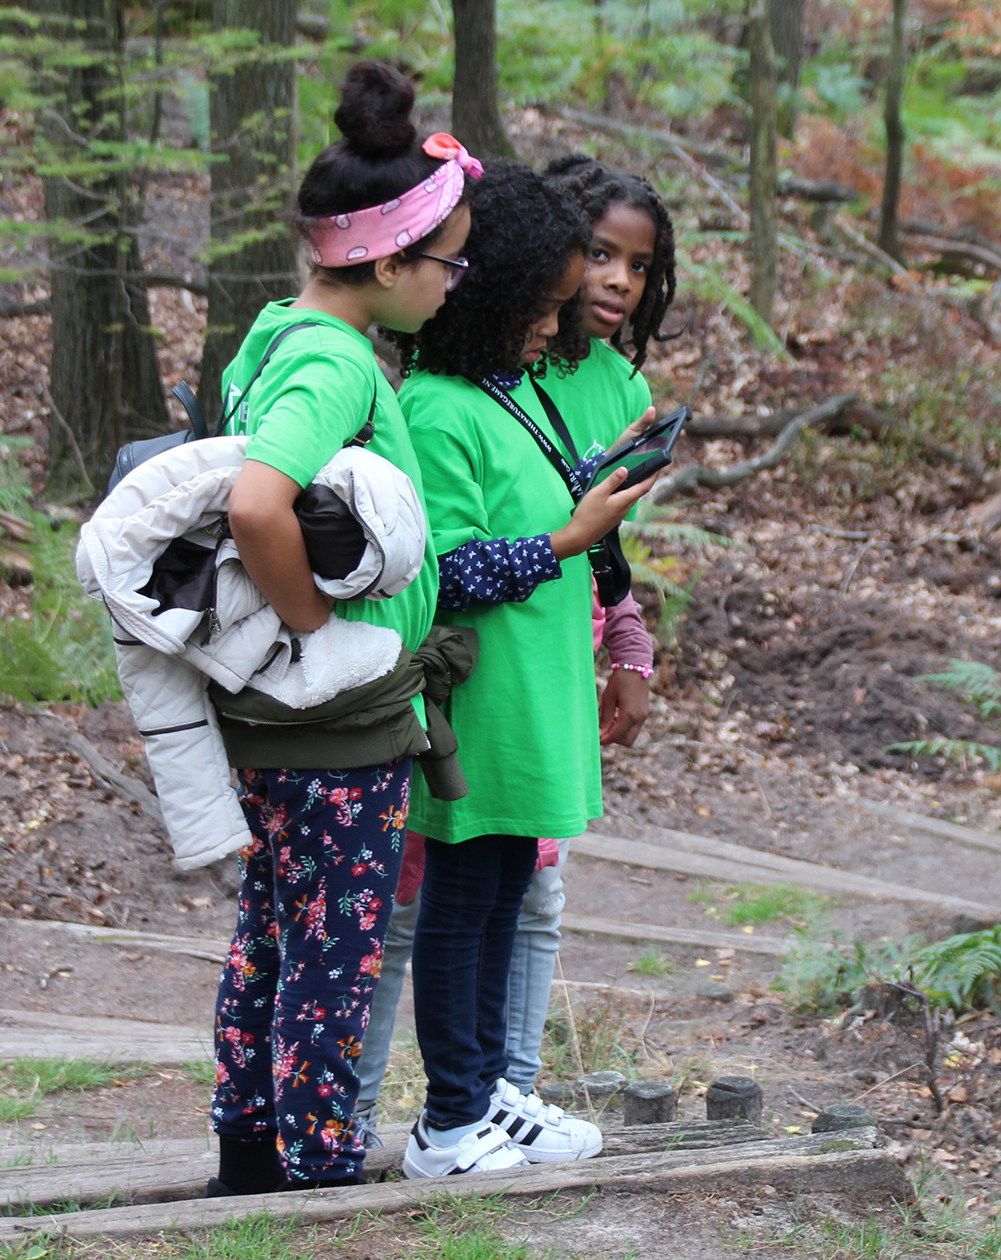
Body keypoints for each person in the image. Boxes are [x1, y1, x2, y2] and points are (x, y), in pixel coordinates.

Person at [350, 153, 676, 1141]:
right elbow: (441, 568)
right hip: (476, 708)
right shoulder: (442, 408)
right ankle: (446, 1122)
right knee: (452, 911)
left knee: (502, 903)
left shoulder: (520, 391)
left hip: (532, 690)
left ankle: (489, 1097)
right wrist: (567, 537)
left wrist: (600, 489)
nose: (557, 327)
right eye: (543, 309)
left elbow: (540, 505)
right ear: (495, 298)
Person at [199, 59, 476, 1197]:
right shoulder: (327, 358)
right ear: (387, 258)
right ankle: (315, 1172)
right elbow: (258, 501)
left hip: (280, 716)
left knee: (272, 931)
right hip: (331, 719)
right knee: (331, 945)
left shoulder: (275, 333)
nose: (456, 281)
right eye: (447, 260)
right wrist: (319, 628)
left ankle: (250, 1154)